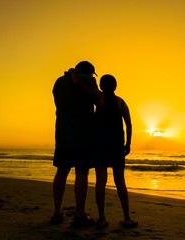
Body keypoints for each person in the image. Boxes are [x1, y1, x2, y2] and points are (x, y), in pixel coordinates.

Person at [70, 68, 138, 229]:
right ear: (115, 86)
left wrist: (73, 72)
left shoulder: (98, 97)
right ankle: (127, 217)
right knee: (120, 180)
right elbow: (129, 124)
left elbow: (78, 84)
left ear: (101, 85)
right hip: (116, 144)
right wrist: (128, 143)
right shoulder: (121, 102)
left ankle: (102, 219)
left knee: (101, 180)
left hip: (100, 144)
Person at [51, 61, 98, 227]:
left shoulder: (58, 82)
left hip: (63, 134)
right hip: (83, 135)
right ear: (90, 73)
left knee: (61, 173)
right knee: (81, 174)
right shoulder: (88, 81)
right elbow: (98, 99)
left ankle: (57, 212)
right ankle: (79, 215)